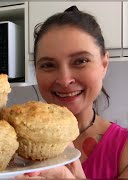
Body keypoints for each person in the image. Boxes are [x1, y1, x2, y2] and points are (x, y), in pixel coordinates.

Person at [16, 5, 128, 179]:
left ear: (104, 64)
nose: (64, 79)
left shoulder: (124, 149)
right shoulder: (9, 145)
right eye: (48, 65)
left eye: (80, 61)